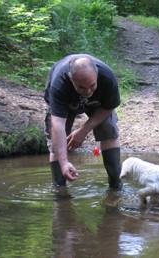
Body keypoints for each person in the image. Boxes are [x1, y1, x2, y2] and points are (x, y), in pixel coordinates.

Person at [44, 54, 122, 190]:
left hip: (99, 104)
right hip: (66, 102)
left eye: (92, 85)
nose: (88, 92)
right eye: (81, 88)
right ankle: (60, 192)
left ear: (97, 75)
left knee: (108, 129)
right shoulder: (59, 84)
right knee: (56, 141)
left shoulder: (107, 78)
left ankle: (116, 185)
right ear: (71, 79)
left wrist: (83, 131)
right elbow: (58, 125)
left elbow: (109, 106)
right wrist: (64, 163)